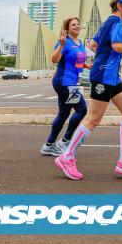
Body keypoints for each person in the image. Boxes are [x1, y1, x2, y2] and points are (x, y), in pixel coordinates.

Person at [55, 0, 122, 180]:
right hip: (103, 76)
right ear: (120, 5)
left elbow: (93, 43)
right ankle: (67, 157)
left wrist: (101, 50)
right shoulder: (117, 22)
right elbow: (117, 46)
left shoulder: (107, 22)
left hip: (112, 76)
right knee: (93, 118)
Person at [41, 17, 90, 156]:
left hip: (72, 81)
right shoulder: (65, 41)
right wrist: (61, 45)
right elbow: (54, 59)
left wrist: (85, 65)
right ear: (67, 29)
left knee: (63, 114)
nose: (77, 26)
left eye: (78, 24)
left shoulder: (80, 42)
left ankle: (49, 145)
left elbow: (76, 62)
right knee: (82, 109)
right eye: (74, 24)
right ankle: (64, 141)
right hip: (64, 81)